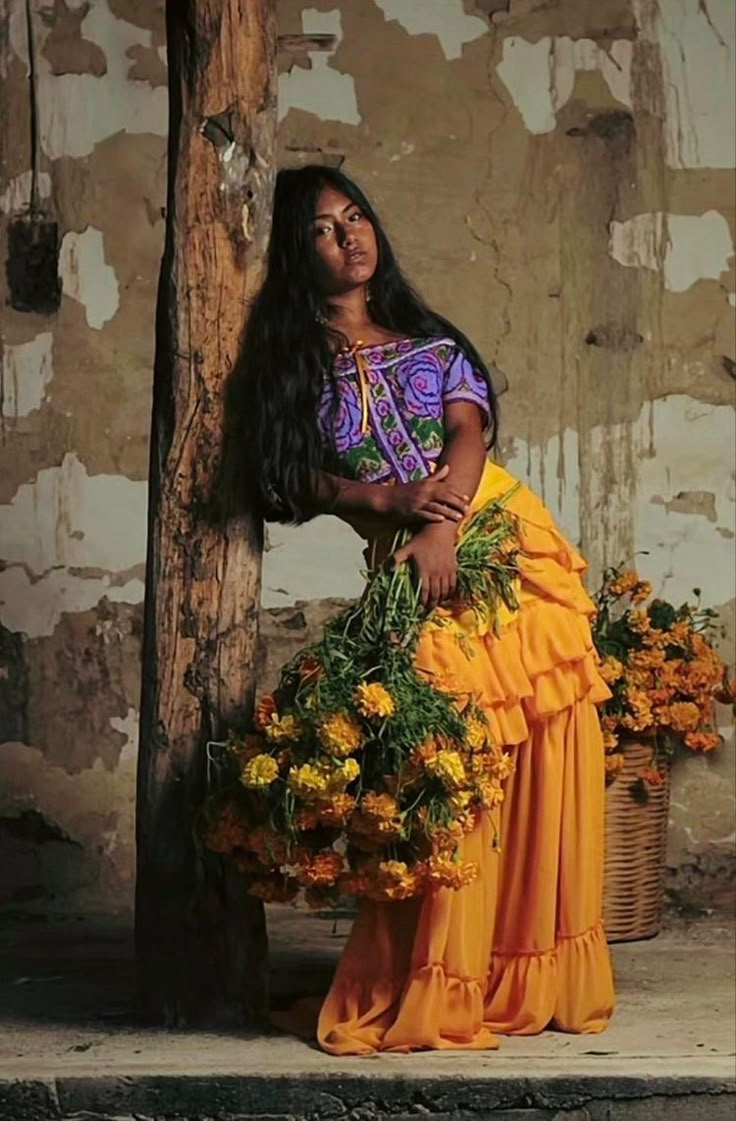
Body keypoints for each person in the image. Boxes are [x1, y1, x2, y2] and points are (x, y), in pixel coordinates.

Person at [241, 165, 616, 1055]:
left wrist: (440, 521)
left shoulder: (430, 343)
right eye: (325, 230)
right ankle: (435, 974)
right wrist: (388, 505)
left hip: (497, 536)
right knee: (450, 752)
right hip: (405, 555)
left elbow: (468, 433)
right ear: (299, 258)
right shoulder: (292, 368)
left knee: (536, 741)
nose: (350, 237)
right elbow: (295, 480)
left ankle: (524, 966)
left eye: (357, 217)